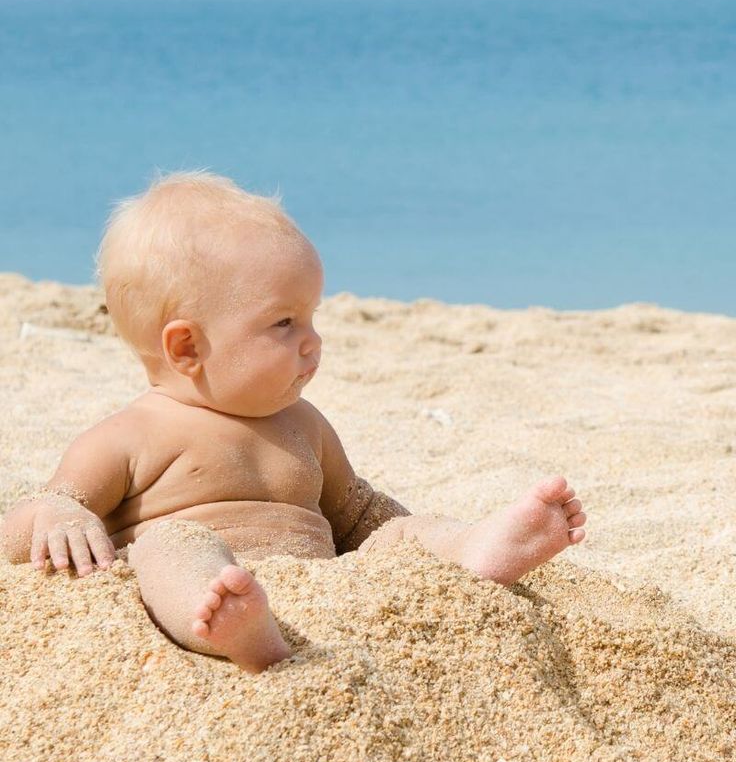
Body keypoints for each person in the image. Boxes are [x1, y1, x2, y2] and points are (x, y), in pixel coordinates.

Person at [0, 173, 587, 672]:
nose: (313, 341)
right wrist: (57, 515)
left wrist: (419, 537)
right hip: (220, 585)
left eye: (312, 317)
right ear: (186, 348)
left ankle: (474, 549)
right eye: (284, 323)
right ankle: (224, 625)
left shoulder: (304, 423)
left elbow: (356, 516)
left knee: (395, 529)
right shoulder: (130, 435)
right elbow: (38, 513)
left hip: (331, 590)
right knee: (171, 545)